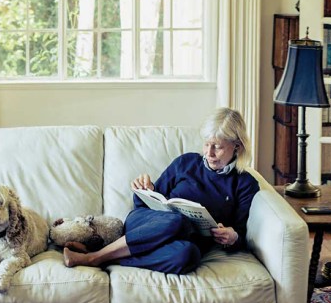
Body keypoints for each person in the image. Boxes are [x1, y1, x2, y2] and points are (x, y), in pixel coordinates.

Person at [63, 107, 260, 275]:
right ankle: (93, 258)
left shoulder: (245, 184)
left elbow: (241, 233)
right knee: (177, 220)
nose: (209, 154)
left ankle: (107, 257)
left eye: (217, 147)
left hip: (186, 240)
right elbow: (145, 203)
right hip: (146, 223)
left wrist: (233, 237)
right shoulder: (187, 162)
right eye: (207, 144)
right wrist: (146, 190)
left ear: (237, 146)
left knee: (189, 255)